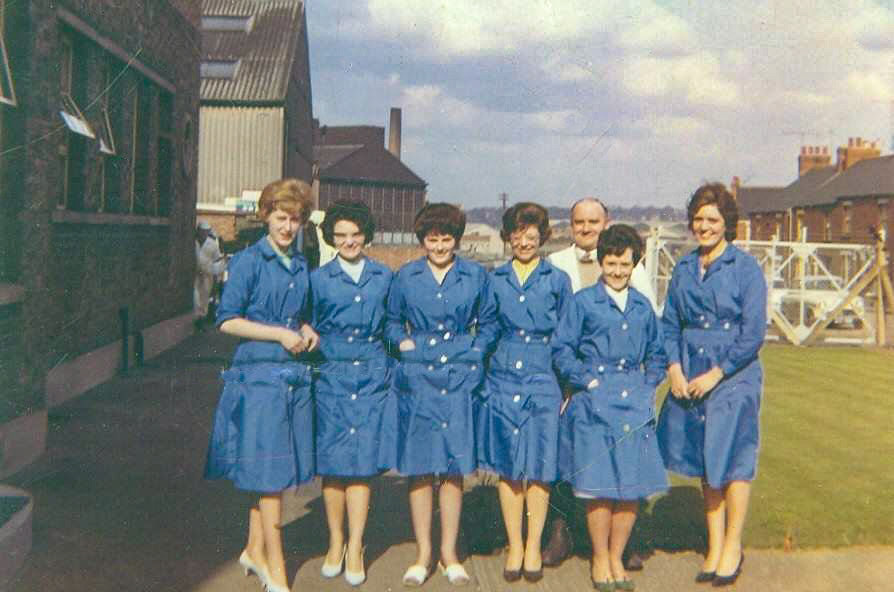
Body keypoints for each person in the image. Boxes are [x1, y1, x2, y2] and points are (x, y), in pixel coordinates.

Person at [204, 178, 320, 592]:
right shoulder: (250, 261)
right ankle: (276, 573)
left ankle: (253, 551)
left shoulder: (301, 262)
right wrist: (279, 335)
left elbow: (298, 314)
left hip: (293, 378)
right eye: (281, 218)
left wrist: (306, 329)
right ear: (266, 216)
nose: (288, 227)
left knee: (273, 475)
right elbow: (227, 320)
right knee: (271, 478)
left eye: (295, 219)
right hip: (259, 378)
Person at [656, 183, 767, 587]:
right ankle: (714, 545)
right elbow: (669, 324)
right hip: (690, 372)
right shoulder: (685, 268)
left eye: (713, 220)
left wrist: (718, 372)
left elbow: (753, 332)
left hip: (733, 375)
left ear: (727, 224)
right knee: (706, 460)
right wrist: (674, 368)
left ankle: (733, 546)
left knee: (733, 459)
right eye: (699, 219)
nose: (704, 226)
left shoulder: (745, 269)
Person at [386, 203, 498, 587]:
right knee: (420, 469)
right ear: (422, 240)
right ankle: (423, 554)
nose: (439, 245)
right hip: (418, 378)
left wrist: (475, 353)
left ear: (457, 239)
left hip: (459, 377)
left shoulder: (475, 276)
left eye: (446, 238)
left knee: (452, 470)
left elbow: (490, 323)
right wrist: (402, 344)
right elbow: (389, 321)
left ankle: (450, 554)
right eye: (432, 238)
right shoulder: (405, 276)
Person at [552, 224, 668, 591]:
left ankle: (617, 556)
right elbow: (562, 349)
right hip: (593, 406)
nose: (618, 271)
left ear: (635, 264)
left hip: (634, 404)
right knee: (599, 487)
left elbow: (658, 354)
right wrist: (588, 382)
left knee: (629, 489)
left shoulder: (643, 306)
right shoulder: (583, 301)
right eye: (611, 263)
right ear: (601, 261)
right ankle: (599, 558)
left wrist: (647, 387)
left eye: (625, 264)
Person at [478, 203, 572, 583]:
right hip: (502, 376)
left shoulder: (556, 279)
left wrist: (565, 385)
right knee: (508, 466)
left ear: (542, 237)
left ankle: (534, 544)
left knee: (539, 467)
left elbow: (566, 335)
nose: (524, 241)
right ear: (508, 237)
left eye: (531, 234)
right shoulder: (494, 278)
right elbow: (485, 327)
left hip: (542, 377)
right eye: (517, 234)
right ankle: (514, 544)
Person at [311, 201, 396, 587]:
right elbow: (306, 323)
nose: (349, 241)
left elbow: (393, 324)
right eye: (341, 234)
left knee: (362, 464)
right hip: (331, 374)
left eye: (355, 234)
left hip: (373, 374)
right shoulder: (319, 278)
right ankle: (335, 542)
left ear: (366, 235)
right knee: (333, 464)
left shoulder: (383, 276)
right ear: (331, 237)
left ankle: (357, 544)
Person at [194, 220, 225, 322]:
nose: (204, 233)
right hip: (194, 274)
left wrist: (217, 278)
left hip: (208, 275)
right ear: (198, 231)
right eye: (202, 231)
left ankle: (202, 319)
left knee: (205, 296)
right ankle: (196, 317)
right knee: (195, 296)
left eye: (206, 231)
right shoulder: (193, 243)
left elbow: (218, 261)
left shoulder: (212, 244)